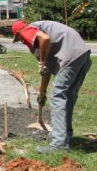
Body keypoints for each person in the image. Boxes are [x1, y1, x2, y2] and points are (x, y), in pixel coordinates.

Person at [11, 20, 92, 153]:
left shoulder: (28, 30)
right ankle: (65, 136)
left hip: (70, 56)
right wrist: (42, 92)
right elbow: (46, 71)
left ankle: (59, 144)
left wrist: (41, 61)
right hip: (82, 55)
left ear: (19, 33)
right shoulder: (41, 42)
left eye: (19, 38)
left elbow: (45, 38)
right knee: (68, 97)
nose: (21, 41)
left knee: (58, 96)